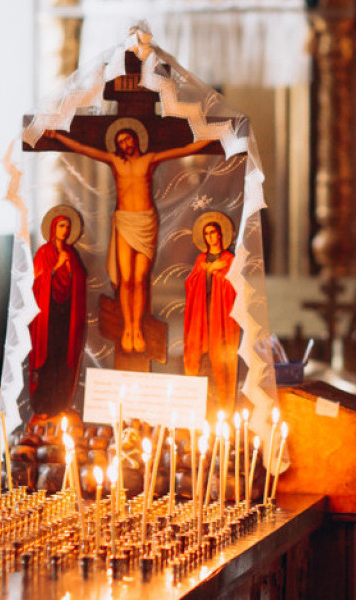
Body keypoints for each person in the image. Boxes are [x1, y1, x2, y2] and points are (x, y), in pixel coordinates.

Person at [43, 121, 213, 354]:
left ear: (136, 139)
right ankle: (129, 328)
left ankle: (138, 328)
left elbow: (183, 150)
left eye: (128, 139)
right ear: (118, 145)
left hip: (145, 222)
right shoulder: (115, 162)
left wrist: (211, 139)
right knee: (126, 279)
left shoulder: (149, 159)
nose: (125, 143)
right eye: (120, 141)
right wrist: (58, 137)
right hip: (124, 221)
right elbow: (84, 149)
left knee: (140, 278)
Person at [28, 207, 88, 415]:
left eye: (68, 227)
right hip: (48, 313)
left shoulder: (71, 254)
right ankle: (42, 404)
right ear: (54, 228)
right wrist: (55, 269)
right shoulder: (44, 252)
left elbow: (80, 279)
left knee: (62, 358)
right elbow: (36, 282)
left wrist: (72, 271)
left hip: (65, 313)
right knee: (48, 357)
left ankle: (61, 403)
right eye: (62, 226)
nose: (65, 230)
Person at [183, 213, 241, 411]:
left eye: (213, 232)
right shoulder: (201, 260)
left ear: (220, 235)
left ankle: (224, 406)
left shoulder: (229, 259)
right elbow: (190, 284)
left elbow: (234, 287)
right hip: (202, 314)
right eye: (206, 234)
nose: (209, 237)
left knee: (221, 360)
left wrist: (218, 274)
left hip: (221, 317)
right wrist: (208, 271)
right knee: (202, 359)